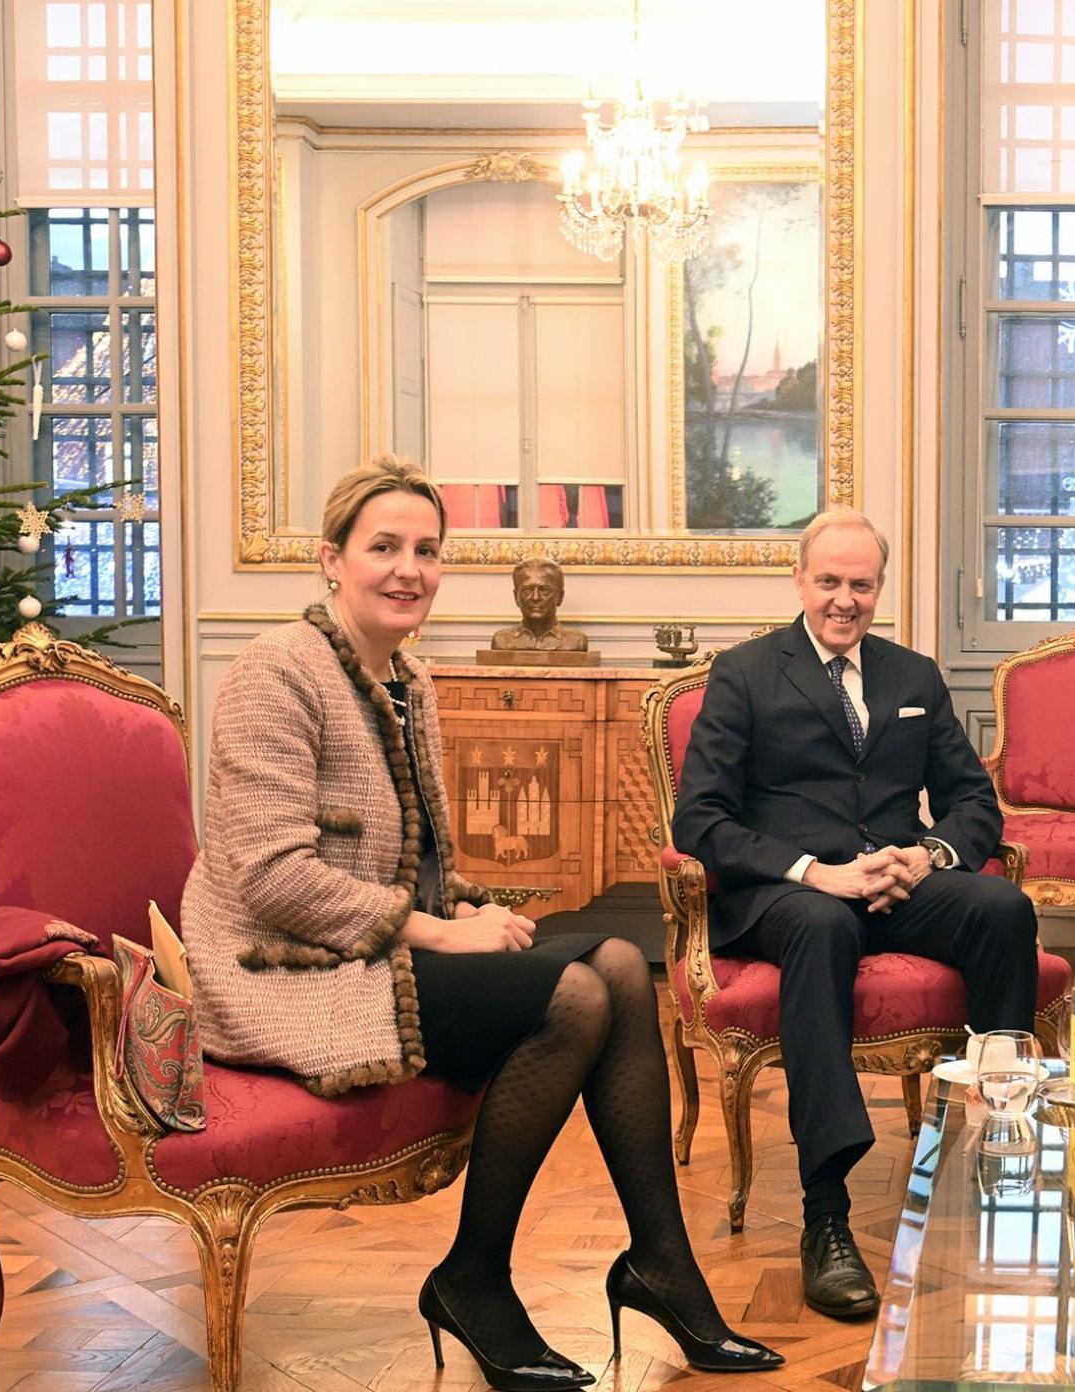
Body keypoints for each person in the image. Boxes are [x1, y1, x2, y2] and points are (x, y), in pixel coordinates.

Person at [183, 457, 779, 1390]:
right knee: (577, 996)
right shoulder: (275, 674)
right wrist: (438, 933)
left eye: (426, 549)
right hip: (287, 966)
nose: (407, 569)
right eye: (383, 547)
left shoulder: (408, 679)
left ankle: (660, 1265)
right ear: (330, 561)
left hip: (372, 946)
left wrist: (465, 904)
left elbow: (419, 859)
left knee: (621, 964)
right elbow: (269, 881)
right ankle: (476, 1278)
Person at [672, 507, 1041, 1319]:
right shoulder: (742, 673)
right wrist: (816, 873)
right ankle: (826, 1212)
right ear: (800, 581)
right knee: (823, 923)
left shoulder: (913, 676)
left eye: (861, 584)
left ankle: (991, 1148)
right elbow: (698, 820)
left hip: (895, 879)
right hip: (786, 892)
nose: (845, 599)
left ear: (881, 588)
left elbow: (973, 802)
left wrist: (929, 856)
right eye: (830, 581)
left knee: (1000, 907)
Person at [491, 557, 588, 652]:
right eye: (527, 591)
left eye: (545, 591)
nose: (535, 597)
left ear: (560, 597)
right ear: (516, 597)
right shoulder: (501, 640)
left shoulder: (576, 640)